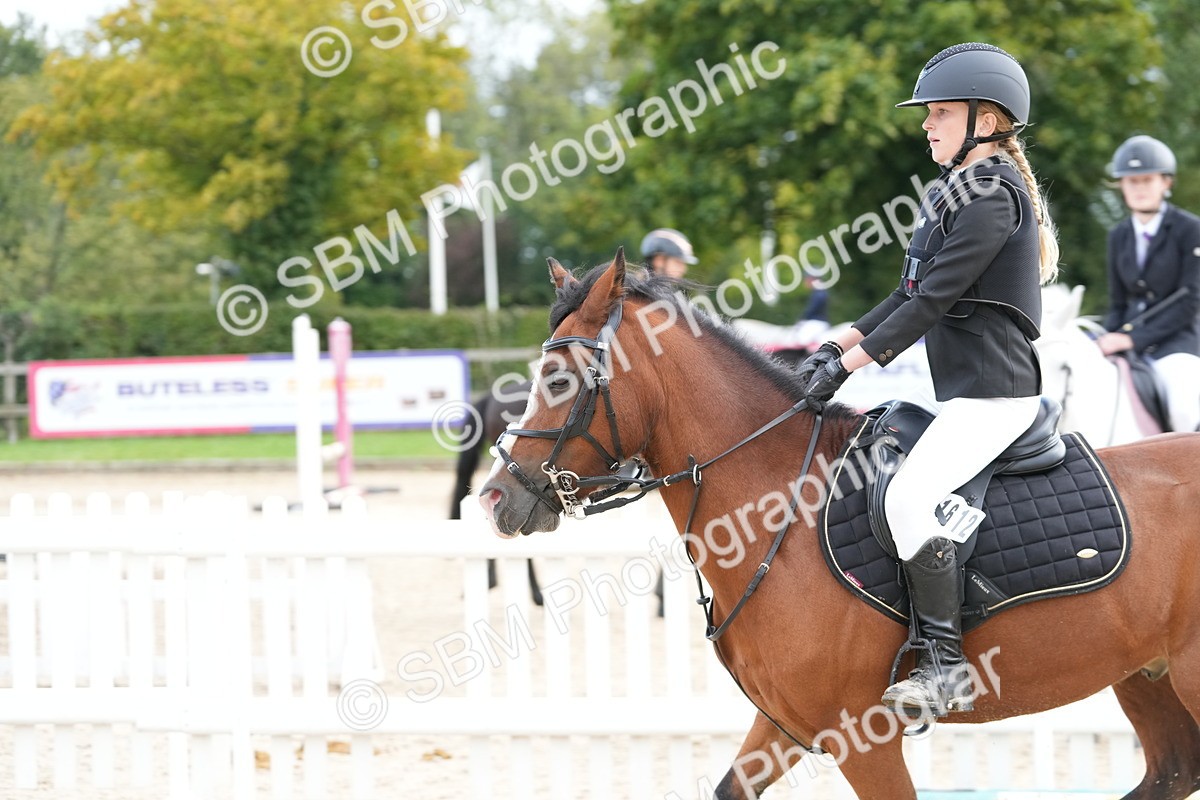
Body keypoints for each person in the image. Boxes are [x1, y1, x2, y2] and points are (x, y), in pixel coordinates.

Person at [797, 43, 1059, 716]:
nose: (926, 124)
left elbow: (933, 301)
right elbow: (905, 293)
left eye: (939, 113)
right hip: (966, 395)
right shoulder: (953, 190)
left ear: (986, 118)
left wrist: (850, 368)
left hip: (998, 398)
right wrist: (834, 344)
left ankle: (946, 666)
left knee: (909, 498)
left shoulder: (994, 194)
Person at [1096, 135, 1200, 433]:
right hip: (1127, 344)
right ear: (1122, 186)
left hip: (1177, 344)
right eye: (1131, 181)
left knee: (1181, 407)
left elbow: (1191, 301)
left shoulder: (1190, 230)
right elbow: (1118, 302)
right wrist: (1107, 337)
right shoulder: (1119, 235)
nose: (1139, 188)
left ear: (1165, 183)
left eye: (1147, 180)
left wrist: (1132, 340)